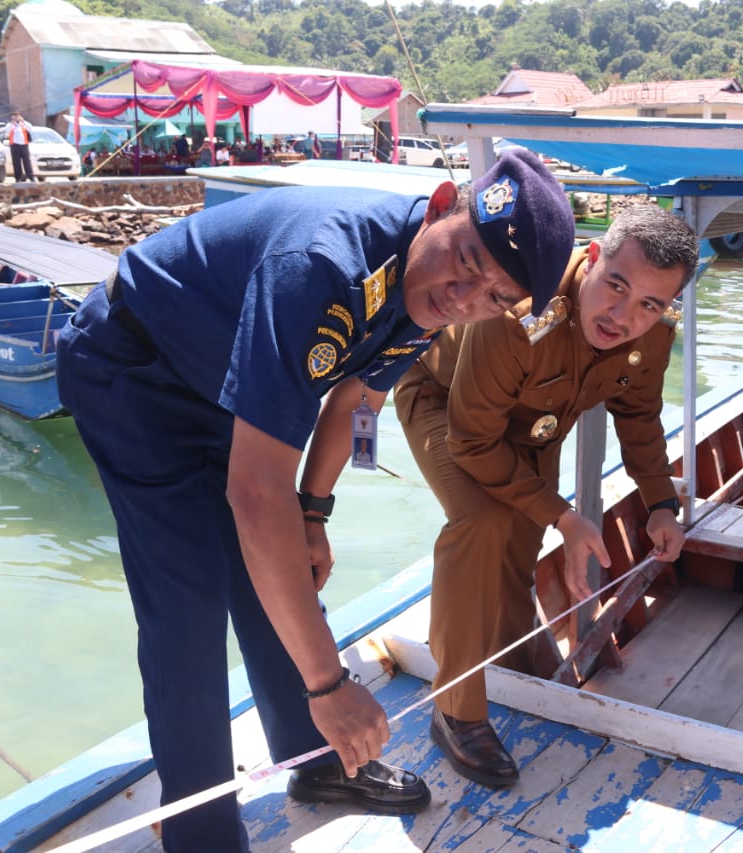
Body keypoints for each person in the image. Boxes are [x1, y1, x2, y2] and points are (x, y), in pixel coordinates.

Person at [55, 149, 575, 852]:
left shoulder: (426, 299)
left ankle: (318, 761)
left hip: (218, 383)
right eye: (467, 257)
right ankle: (202, 834)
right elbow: (253, 489)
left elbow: (357, 401)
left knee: (283, 568)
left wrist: (313, 514)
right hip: (135, 368)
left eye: (493, 296)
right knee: (189, 608)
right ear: (441, 203)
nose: (464, 294)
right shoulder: (323, 267)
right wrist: (331, 684)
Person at [394, 206, 698, 786]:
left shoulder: (652, 336)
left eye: (649, 305)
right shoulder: (518, 310)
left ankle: (508, 655)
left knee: (520, 539)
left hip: (534, 428)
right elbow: (473, 441)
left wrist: (661, 503)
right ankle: (456, 711)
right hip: (447, 404)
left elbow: (638, 416)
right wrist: (565, 515)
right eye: (616, 286)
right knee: (482, 523)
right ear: (591, 258)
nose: (622, 316)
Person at [6, 112, 33, 182]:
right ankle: (18, 177)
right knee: (16, 162)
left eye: (16, 116)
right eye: (14, 117)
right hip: (14, 145)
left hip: (24, 145)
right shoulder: (10, 125)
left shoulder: (23, 124)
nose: (15, 118)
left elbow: (30, 128)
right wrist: (13, 124)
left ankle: (30, 176)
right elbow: (7, 132)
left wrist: (23, 121)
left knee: (27, 161)